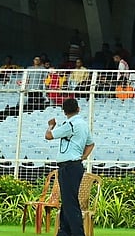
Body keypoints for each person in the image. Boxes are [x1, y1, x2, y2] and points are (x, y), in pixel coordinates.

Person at [45, 97, 94, 236]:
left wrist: (51, 125)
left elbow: (48, 136)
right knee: (67, 201)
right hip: (75, 165)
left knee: (70, 202)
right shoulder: (83, 124)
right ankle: (64, 232)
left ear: (64, 111)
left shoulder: (69, 125)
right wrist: (82, 158)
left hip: (68, 167)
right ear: (78, 109)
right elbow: (90, 144)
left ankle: (78, 233)